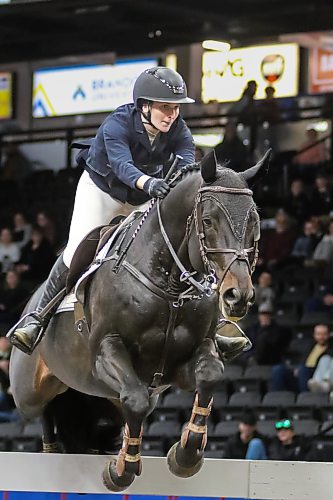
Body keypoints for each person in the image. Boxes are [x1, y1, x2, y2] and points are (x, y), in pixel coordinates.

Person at [9, 66, 196, 355]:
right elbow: (122, 166)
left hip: (142, 194)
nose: (172, 114)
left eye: (176, 108)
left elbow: (186, 155)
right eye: (165, 107)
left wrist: (180, 177)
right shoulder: (117, 124)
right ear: (144, 106)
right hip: (102, 192)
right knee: (75, 251)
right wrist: (151, 183)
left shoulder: (177, 127)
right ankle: (37, 319)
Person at [271, 323, 333, 392]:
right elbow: (303, 361)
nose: (321, 337)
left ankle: (306, 398)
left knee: (303, 369)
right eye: (318, 334)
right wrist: (298, 369)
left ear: (329, 335)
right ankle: (278, 397)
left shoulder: (330, 349)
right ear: (314, 335)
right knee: (278, 369)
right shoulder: (310, 346)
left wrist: (302, 369)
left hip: (314, 378)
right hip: (301, 375)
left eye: (324, 334)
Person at [241, 302, 292, 367]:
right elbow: (247, 346)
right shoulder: (252, 329)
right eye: (262, 314)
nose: (265, 316)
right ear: (259, 316)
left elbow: (276, 344)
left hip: (272, 357)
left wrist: (266, 329)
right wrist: (250, 356)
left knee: (263, 340)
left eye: (267, 314)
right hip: (254, 356)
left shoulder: (279, 330)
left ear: (271, 316)